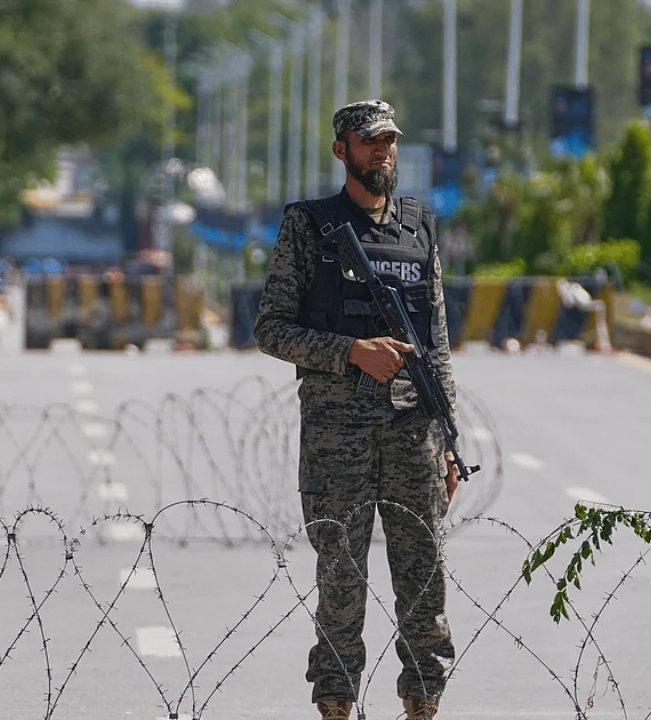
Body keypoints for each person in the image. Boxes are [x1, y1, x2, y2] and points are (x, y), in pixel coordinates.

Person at [253, 100, 459, 720]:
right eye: (371, 142)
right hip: (336, 440)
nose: (384, 152)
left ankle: (423, 707)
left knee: (423, 585)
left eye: (390, 141)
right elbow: (270, 329)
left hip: (412, 438)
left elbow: (438, 344)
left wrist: (450, 440)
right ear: (342, 149)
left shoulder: (420, 227)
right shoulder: (309, 227)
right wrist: (350, 352)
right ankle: (337, 708)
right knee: (341, 587)